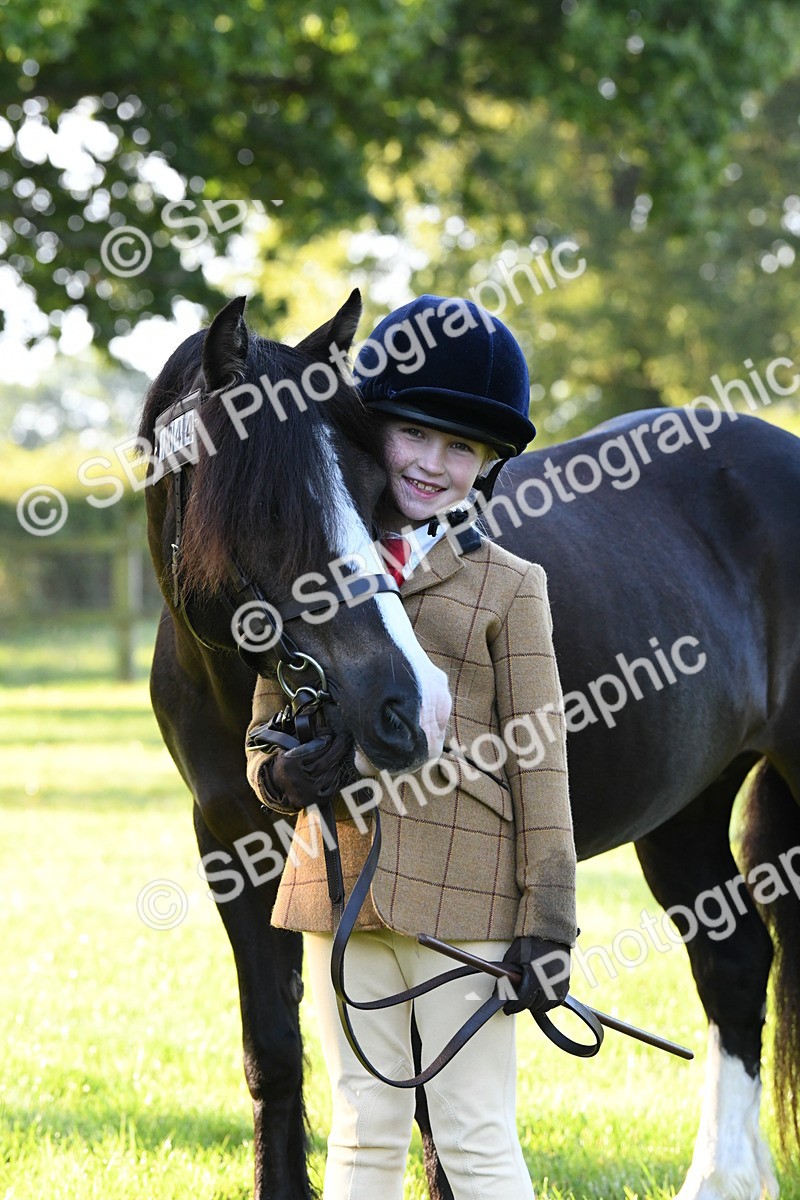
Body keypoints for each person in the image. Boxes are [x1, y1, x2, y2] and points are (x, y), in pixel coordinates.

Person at [245, 295, 578, 1200]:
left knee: (473, 1140)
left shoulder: (511, 586)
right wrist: (279, 775)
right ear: (372, 434)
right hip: (339, 893)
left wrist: (549, 922)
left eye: (461, 448)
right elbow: (264, 726)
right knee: (360, 1134)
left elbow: (542, 762)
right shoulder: (309, 570)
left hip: (467, 912)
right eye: (415, 435)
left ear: (488, 466)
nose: (433, 464)